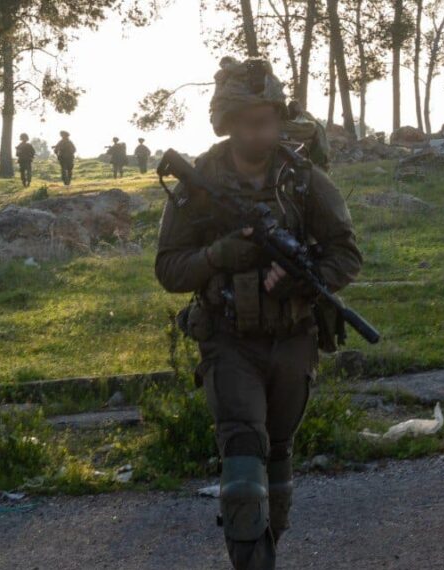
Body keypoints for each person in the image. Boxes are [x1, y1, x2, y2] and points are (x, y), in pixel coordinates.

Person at [154, 57, 362, 570]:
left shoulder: (302, 180)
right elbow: (168, 269)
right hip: (228, 341)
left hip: (293, 338)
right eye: (250, 122)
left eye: (269, 119)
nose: (262, 132)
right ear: (227, 122)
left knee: (278, 459)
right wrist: (217, 256)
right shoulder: (198, 184)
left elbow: (346, 253)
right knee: (244, 466)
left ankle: (268, 550)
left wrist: (303, 273)